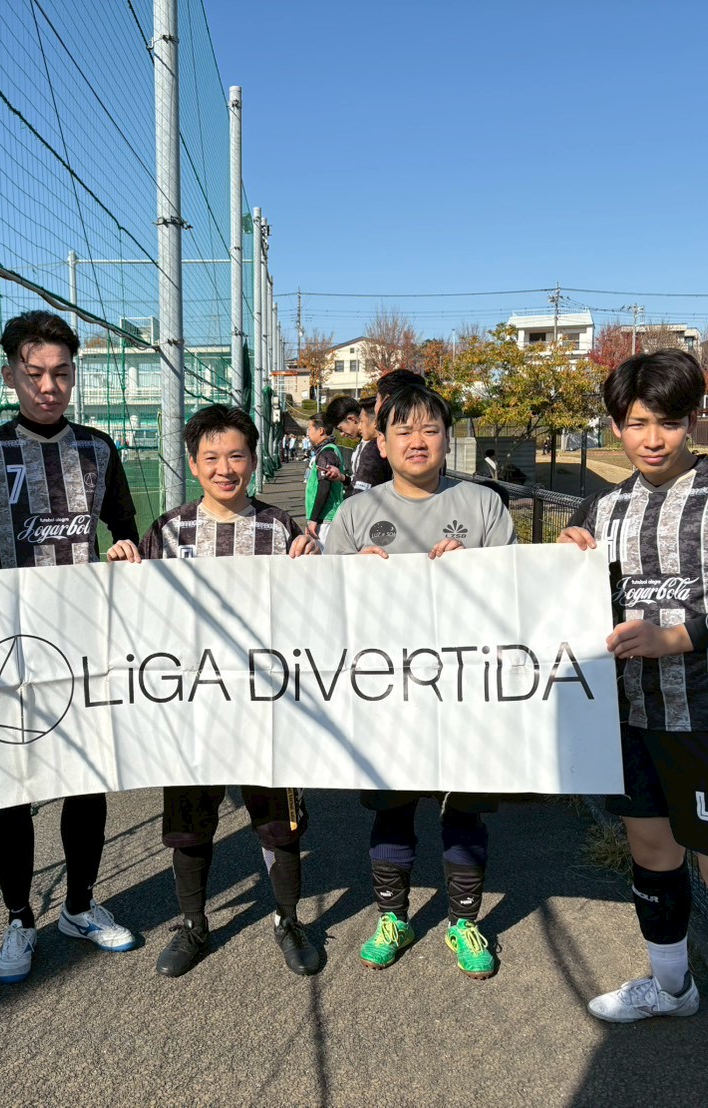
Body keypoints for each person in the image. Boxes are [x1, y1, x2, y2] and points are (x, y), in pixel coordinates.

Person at [559, 349, 708, 1108]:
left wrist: (679, 637)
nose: (652, 438)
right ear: (615, 427)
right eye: (636, 423)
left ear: (695, 420)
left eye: (668, 421)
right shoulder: (599, 510)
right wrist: (559, 562)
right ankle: (671, 989)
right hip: (630, 719)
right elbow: (562, 597)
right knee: (652, 856)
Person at [0, 310, 140, 986]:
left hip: (83, 643)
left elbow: (124, 528)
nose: (49, 387)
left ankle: (78, 905)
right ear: (10, 376)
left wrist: (125, 548)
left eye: (61, 374)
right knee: (11, 790)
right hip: (7, 649)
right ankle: (19, 917)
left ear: (74, 376)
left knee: (87, 780)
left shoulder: (98, 449)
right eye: (35, 374)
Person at [110, 403, 323, 978]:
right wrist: (122, 567)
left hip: (268, 707)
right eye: (211, 458)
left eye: (236, 456)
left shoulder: (279, 528)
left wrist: (314, 561)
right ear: (193, 463)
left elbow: (317, 611)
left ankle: (288, 920)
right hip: (191, 707)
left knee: (279, 823)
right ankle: (193, 924)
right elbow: (135, 614)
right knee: (189, 822)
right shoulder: (168, 531)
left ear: (252, 460)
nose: (225, 469)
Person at [323, 383, 517, 979]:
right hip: (385, 696)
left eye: (430, 429)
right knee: (392, 807)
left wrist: (477, 571)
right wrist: (347, 577)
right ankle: (393, 916)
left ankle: (464, 920)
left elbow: (519, 596)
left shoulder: (483, 505)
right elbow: (320, 612)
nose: (417, 441)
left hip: (465, 692)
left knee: (464, 809)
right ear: (379, 443)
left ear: (447, 439)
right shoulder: (355, 514)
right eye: (402, 430)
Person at [303, 414, 345, 538]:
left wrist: (313, 519)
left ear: (320, 431)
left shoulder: (327, 453)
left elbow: (324, 487)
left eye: (310, 429)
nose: (308, 434)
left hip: (325, 518)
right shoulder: (327, 450)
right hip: (324, 517)